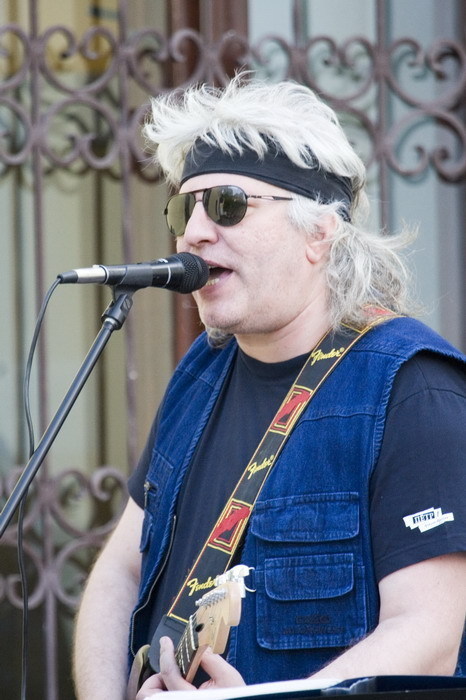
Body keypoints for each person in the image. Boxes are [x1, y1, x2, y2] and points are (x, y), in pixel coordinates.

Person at [73, 76, 466, 700]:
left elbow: (429, 634)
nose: (194, 232)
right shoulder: (199, 372)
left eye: (227, 204)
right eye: (183, 208)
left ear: (319, 233)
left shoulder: (414, 389)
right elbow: (121, 570)